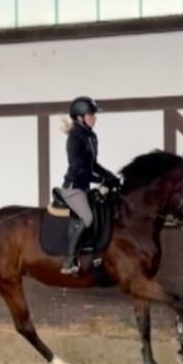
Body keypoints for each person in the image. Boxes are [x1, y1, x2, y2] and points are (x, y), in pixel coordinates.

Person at [58, 96, 120, 275]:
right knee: (87, 217)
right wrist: (101, 181)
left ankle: (96, 253)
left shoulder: (91, 136)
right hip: (73, 187)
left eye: (94, 114)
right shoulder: (74, 138)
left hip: (84, 186)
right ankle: (70, 260)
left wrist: (110, 177)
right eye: (91, 114)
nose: (95, 117)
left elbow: (93, 165)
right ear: (79, 117)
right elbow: (79, 169)